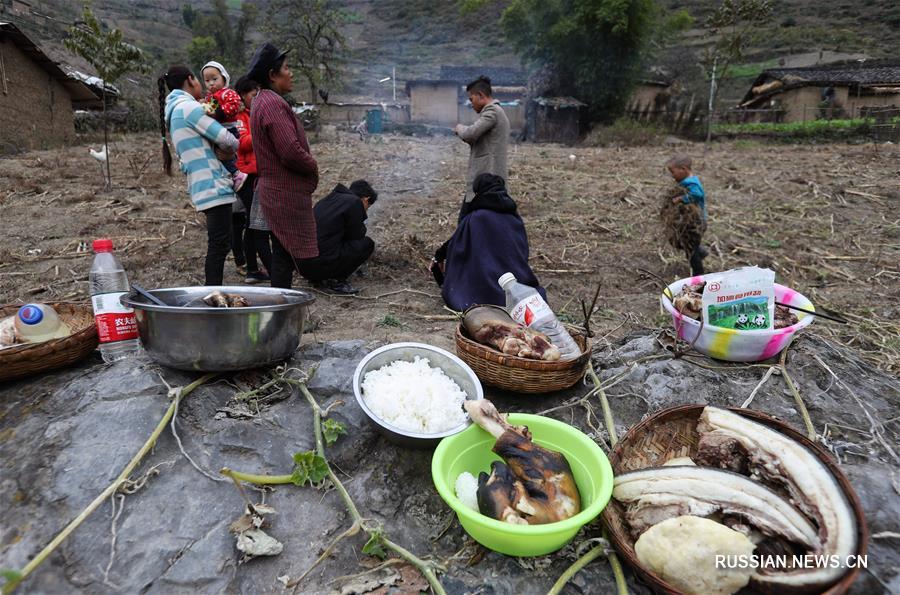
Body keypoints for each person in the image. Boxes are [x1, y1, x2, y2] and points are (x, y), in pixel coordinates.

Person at [246, 42, 319, 290]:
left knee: (282, 254)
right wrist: (312, 164)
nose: (291, 73)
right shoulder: (273, 104)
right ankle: (280, 309)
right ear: (272, 75)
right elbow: (290, 152)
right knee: (282, 255)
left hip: (275, 191)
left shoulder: (260, 101)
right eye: (286, 68)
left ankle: (280, 306)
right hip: (282, 193)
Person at [158, 65, 240, 286]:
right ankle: (212, 295)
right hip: (213, 183)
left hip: (201, 184)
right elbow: (228, 140)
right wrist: (230, 148)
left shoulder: (174, 111)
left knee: (221, 243)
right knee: (219, 245)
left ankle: (213, 292)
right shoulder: (189, 108)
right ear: (191, 80)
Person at [431, 173, 545, 311]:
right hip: (516, 284)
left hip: (485, 290)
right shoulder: (514, 218)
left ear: (478, 192)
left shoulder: (476, 218)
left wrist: (439, 257)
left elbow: (457, 246)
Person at [297, 180, 377, 294]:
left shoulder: (330, 199)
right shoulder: (354, 202)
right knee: (367, 244)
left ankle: (319, 279)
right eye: (367, 208)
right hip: (318, 266)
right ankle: (336, 281)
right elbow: (356, 235)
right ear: (366, 199)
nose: (366, 211)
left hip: (302, 265)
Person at [233, 75, 271, 283]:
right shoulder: (240, 117)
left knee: (252, 222)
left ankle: (253, 270)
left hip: (257, 173)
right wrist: (263, 130)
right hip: (246, 176)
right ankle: (254, 269)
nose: (256, 99)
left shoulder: (250, 114)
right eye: (252, 95)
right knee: (253, 223)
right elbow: (241, 142)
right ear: (242, 96)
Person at [454, 76, 510, 203]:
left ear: (480, 95)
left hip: (488, 180)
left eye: (471, 98)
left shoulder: (492, 111)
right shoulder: (497, 111)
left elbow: (470, 134)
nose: (471, 103)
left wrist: (459, 128)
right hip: (489, 182)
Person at [201, 61, 247, 191]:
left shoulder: (228, 93)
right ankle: (230, 175)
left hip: (229, 129)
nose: (211, 83)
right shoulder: (210, 96)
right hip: (218, 129)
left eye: (215, 79)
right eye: (207, 80)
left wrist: (216, 112)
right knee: (218, 155)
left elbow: (233, 105)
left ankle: (237, 174)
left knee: (224, 154)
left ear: (224, 78)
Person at [667, 154, 708, 275]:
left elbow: (698, 195)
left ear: (683, 169)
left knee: (691, 249)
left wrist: (682, 198)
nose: (672, 175)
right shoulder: (687, 181)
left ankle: (698, 274)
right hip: (691, 222)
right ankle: (701, 252)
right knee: (682, 243)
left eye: (673, 172)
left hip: (696, 223)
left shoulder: (691, 183)